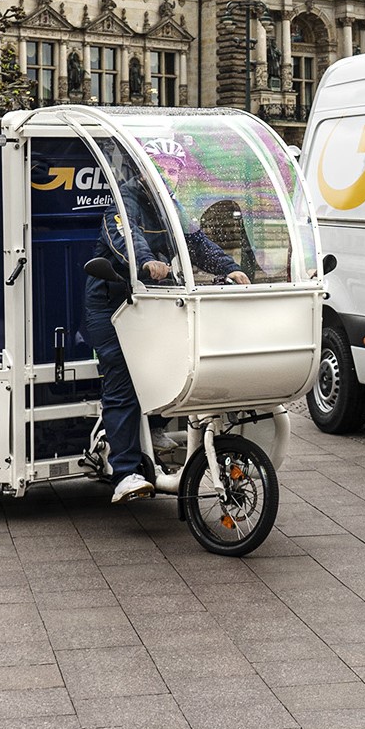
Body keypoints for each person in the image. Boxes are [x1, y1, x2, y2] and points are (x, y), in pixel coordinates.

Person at [84, 140, 248, 504]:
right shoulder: (123, 200)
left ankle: (156, 428)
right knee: (126, 378)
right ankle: (124, 472)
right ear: (144, 169)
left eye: (174, 169)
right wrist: (145, 262)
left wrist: (232, 269)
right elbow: (126, 236)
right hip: (111, 305)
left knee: (174, 361)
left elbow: (197, 243)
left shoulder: (170, 206)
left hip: (148, 302)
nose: (168, 174)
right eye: (161, 167)